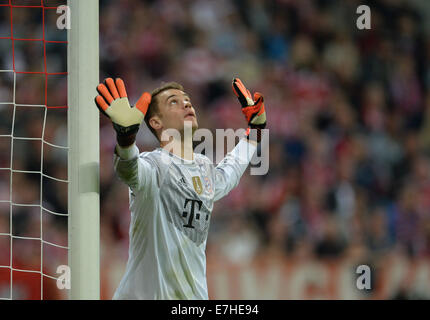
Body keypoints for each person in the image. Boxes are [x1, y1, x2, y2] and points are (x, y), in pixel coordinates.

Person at [94, 77, 267, 299]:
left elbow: (230, 172)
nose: (187, 104)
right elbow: (129, 170)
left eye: (187, 100)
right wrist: (126, 139)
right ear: (156, 122)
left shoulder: (204, 168)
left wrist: (256, 130)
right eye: (173, 102)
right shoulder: (154, 166)